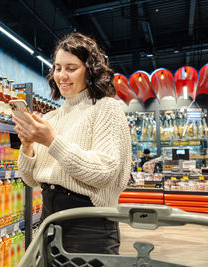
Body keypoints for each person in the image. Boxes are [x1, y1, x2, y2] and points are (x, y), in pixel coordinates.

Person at [13, 32, 132, 255]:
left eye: (71, 68)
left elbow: (104, 172)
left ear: (90, 70)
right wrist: (27, 145)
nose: (62, 76)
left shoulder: (107, 109)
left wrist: (51, 141)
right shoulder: (50, 118)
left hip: (90, 228)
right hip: (49, 224)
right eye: (58, 68)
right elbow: (30, 180)